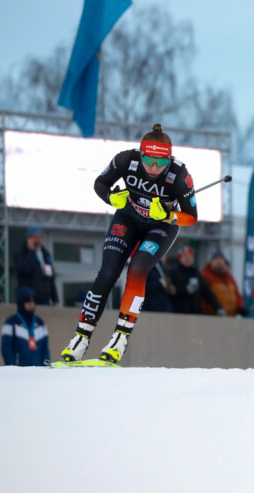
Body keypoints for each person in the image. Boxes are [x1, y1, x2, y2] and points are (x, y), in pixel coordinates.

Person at [60, 123, 201, 364]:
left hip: (160, 227)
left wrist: (168, 215)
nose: (155, 168)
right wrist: (111, 197)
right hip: (128, 217)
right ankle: (81, 338)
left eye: (161, 163)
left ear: (169, 159)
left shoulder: (179, 175)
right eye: (150, 162)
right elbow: (100, 184)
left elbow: (192, 217)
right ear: (141, 154)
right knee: (107, 273)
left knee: (137, 269)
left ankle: (120, 338)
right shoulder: (126, 160)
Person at [1, 287, 50, 366]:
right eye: (28, 301)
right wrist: (13, 368)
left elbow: (45, 350)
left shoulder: (40, 323)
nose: (31, 303)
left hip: (39, 372)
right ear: (21, 302)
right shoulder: (11, 323)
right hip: (19, 372)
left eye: (33, 301)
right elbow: (7, 350)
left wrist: (46, 367)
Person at [168, 246, 223, 315]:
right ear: (180, 258)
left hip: (195, 313)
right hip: (178, 314)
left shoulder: (195, 272)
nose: (188, 258)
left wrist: (218, 307)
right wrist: (185, 290)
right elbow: (170, 292)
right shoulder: (173, 272)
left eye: (190, 256)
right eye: (185, 256)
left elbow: (207, 291)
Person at [13, 226, 58, 305]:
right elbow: (25, 269)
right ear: (28, 238)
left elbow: (50, 278)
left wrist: (55, 299)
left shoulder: (45, 255)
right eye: (34, 237)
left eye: (40, 237)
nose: (37, 239)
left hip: (44, 298)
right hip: (29, 299)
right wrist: (31, 251)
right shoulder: (20, 253)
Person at [201, 251, 247, 317]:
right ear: (211, 262)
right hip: (213, 317)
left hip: (230, 317)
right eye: (216, 259)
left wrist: (240, 307)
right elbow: (204, 297)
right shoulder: (206, 276)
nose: (219, 262)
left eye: (221, 260)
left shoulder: (229, 278)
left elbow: (237, 294)